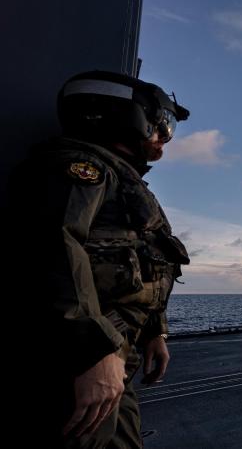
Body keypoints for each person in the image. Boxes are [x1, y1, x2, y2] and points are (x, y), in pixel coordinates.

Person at [7, 70, 191, 447]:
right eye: (161, 126)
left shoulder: (123, 181)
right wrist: (93, 352)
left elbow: (147, 260)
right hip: (80, 357)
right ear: (129, 118)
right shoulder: (78, 168)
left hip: (114, 354)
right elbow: (54, 248)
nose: (164, 140)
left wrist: (155, 331)